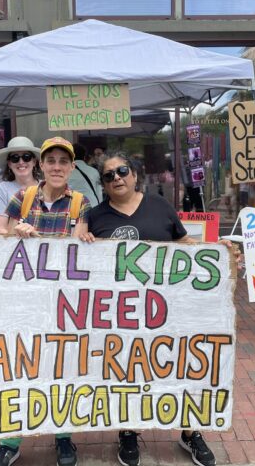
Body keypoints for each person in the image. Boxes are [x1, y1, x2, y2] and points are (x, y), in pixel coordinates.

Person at [78, 151, 218, 466]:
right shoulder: (95, 216)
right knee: (126, 371)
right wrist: (83, 241)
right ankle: (128, 430)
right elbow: (76, 261)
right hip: (120, 315)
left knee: (181, 366)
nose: (116, 178)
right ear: (102, 183)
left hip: (169, 311)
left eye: (122, 171)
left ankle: (190, 431)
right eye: (108, 175)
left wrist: (218, 256)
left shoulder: (160, 206)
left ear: (135, 174)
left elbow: (185, 245)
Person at [0, 136, 90, 466]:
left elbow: (82, 247)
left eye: (64, 161)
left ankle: (63, 437)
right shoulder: (24, 195)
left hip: (64, 302)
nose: (57, 166)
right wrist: (16, 230)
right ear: (41, 166)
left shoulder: (80, 203)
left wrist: (85, 237)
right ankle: (10, 440)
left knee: (62, 364)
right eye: (51, 161)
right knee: (24, 364)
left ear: (71, 167)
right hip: (26, 300)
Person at [0, 136, 40, 234]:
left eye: (26, 157)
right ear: (9, 163)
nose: (21, 162)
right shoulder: (1, 189)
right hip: (15, 247)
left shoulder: (46, 186)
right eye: (15, 158)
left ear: (34, 161)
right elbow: (0, 230)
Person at [67, 143, 103, 207]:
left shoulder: (65, 172)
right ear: (84, 157)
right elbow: (99, 194)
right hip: (92, 206)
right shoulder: (94, 171)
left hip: (72, 207)